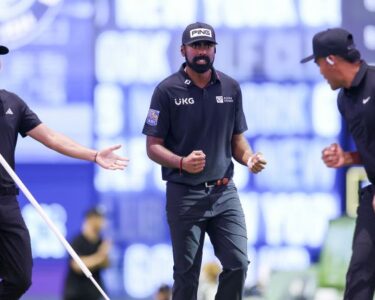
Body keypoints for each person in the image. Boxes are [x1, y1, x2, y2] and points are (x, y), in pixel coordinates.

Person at [142, 22, 266, 300]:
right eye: (195, 46)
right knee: (186, 274)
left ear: (214, 51)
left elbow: (237, 141)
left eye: (207, 46)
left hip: (224, 191)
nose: (202, 51)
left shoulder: (231, 87)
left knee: (238, 263)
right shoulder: (166, 91)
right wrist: (182, 162)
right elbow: (152, 147)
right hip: (184, 193)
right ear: (182, 50)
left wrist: (250, 158)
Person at [0, 45, 129, 300]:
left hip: (5, 200)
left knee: (20, 277)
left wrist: (93, 155)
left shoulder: (11, 102)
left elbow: (51, 138)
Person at [301, 28, 375, 299]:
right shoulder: (344, 99)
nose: (319, 70)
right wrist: (347, 158)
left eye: (319, 62)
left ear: (331, 60)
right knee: (360, 272)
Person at [63, 207, 110, 300]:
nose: (103, 221)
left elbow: (107, 264)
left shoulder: (100, 241)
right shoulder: (78, 241)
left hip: (94, 294)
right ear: (91, 219)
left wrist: (104, 255)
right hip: (76, 295)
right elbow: (77, 266)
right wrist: (100, 257)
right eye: (100, 218)